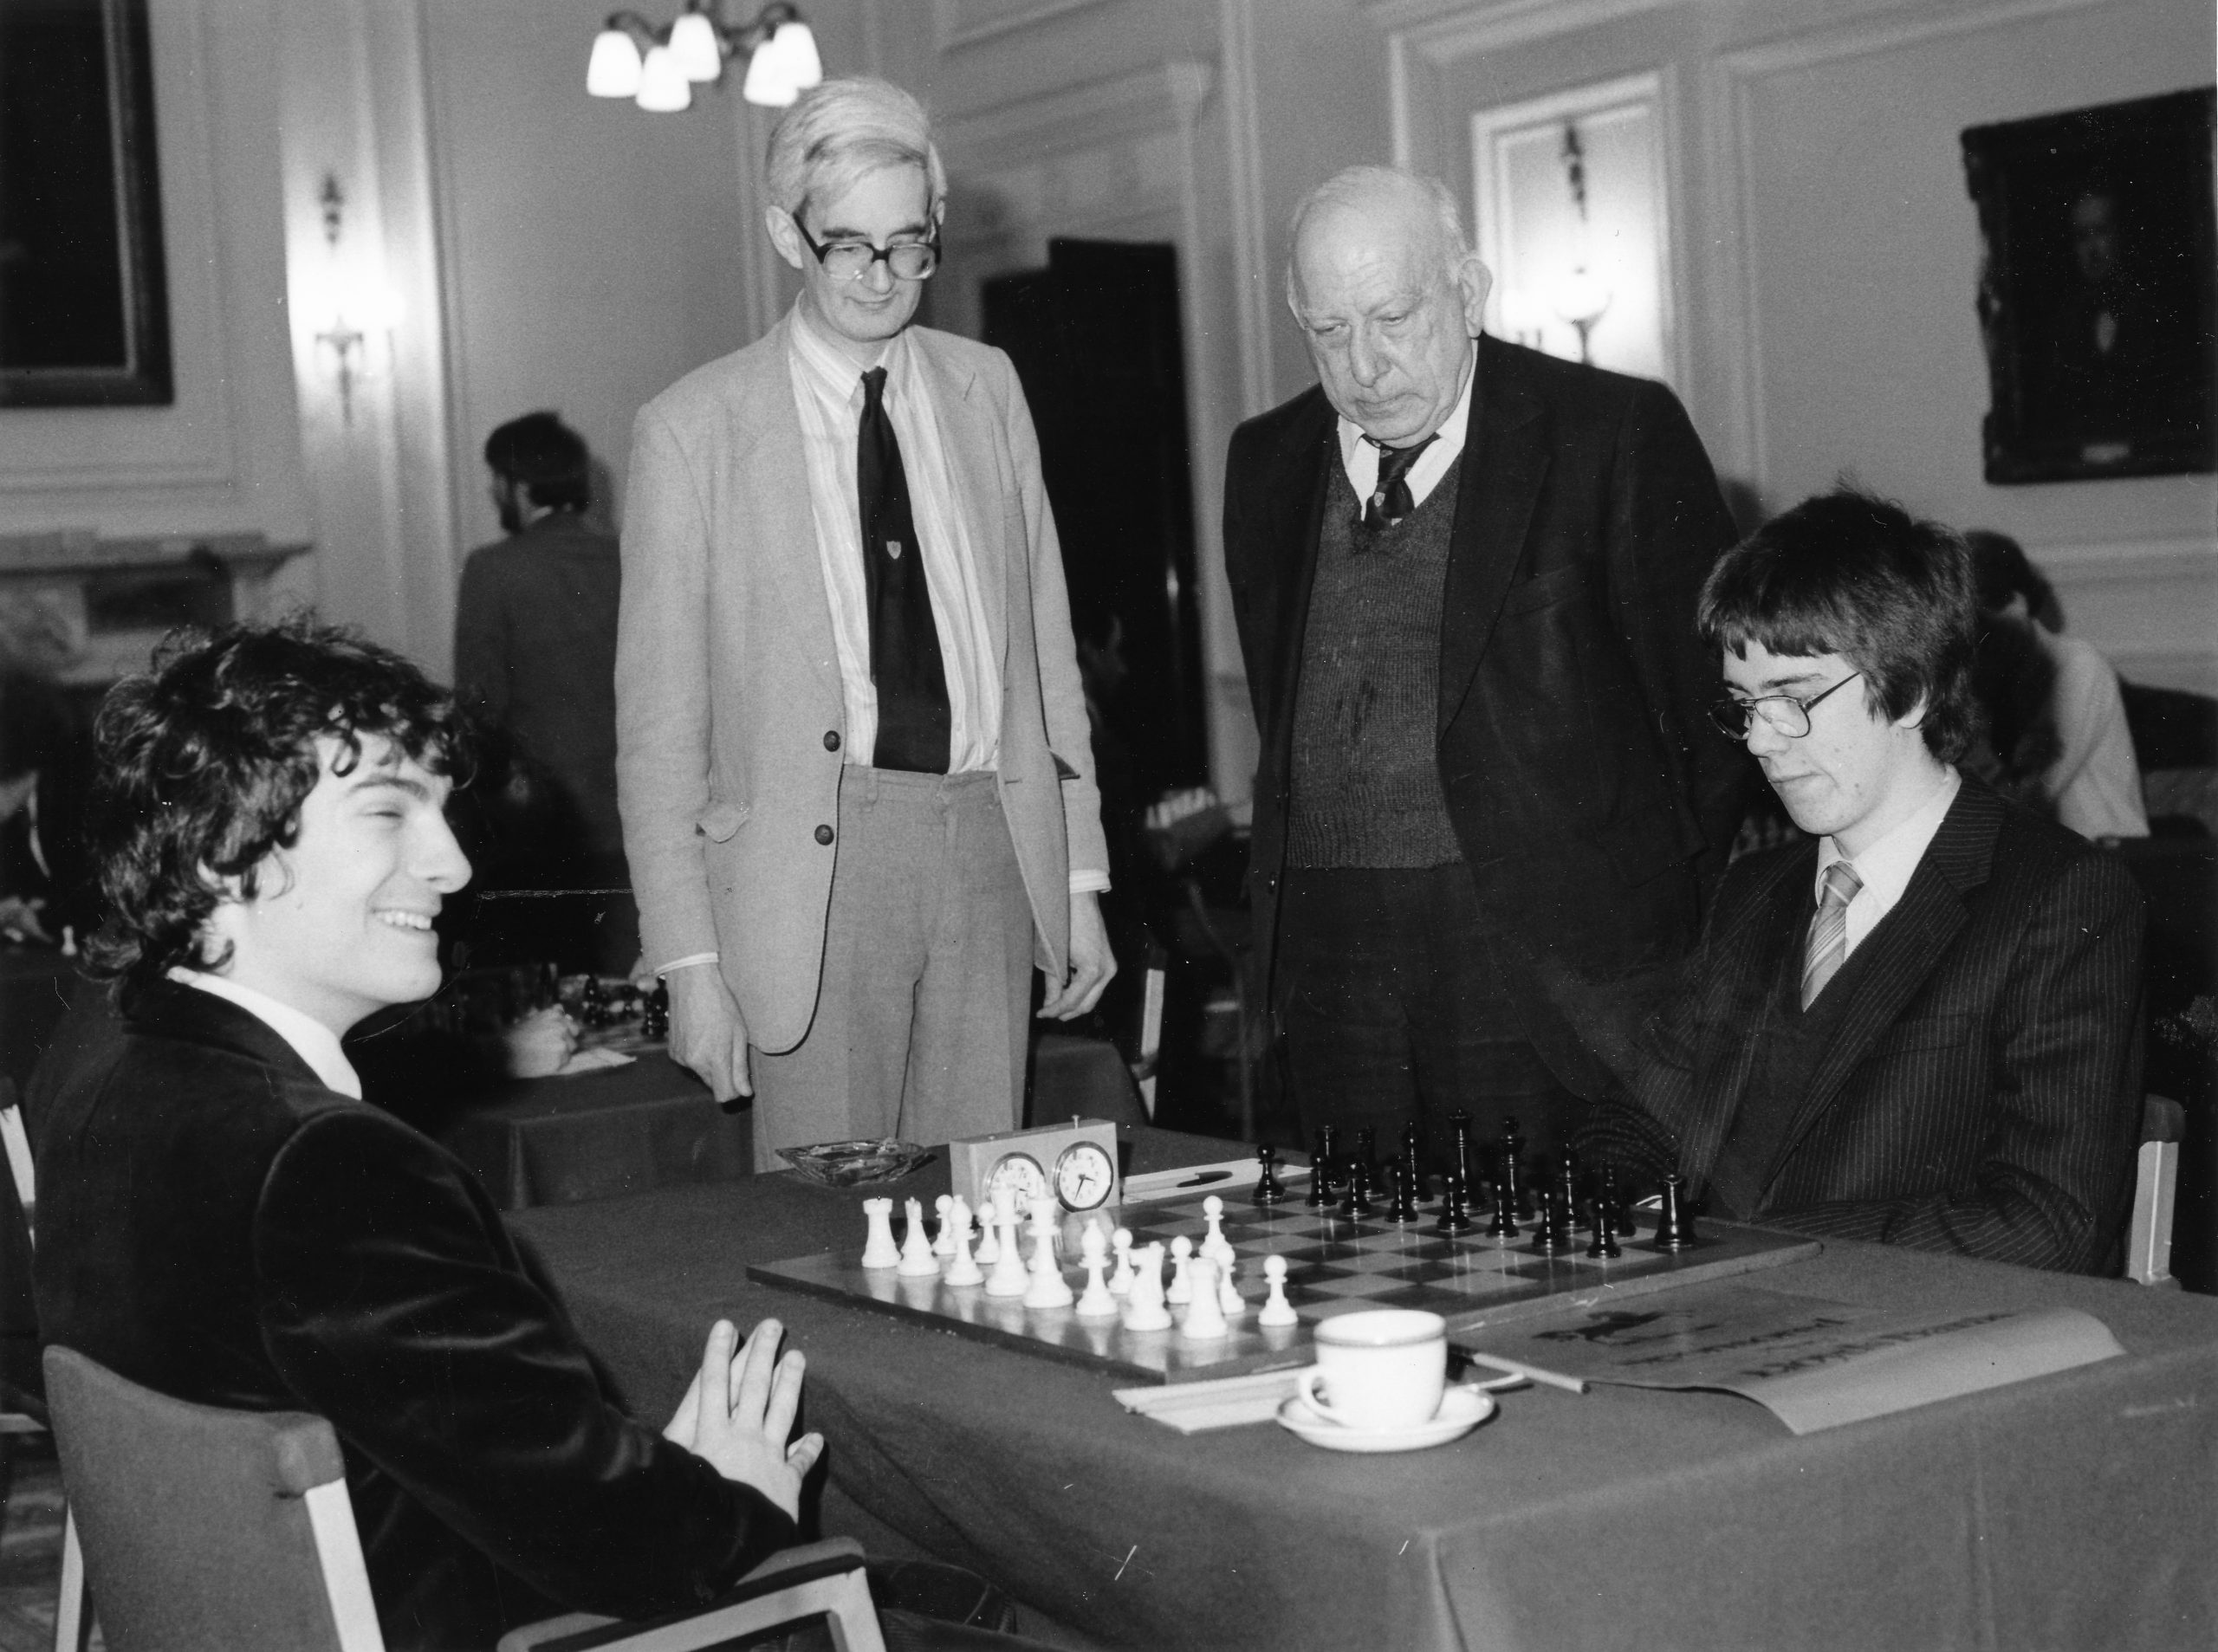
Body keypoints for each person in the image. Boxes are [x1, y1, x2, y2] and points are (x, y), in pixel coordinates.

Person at [24, 620, 818, 1649]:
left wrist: (624, 1482)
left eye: (441, 812)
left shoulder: (100, 1072)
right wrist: (731, 1501)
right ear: (226, 847)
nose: (449, 863)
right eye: (388, 812)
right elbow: (632, 1557)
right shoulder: (330, 1165)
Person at [617, 77, 1112, 1162]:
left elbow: (1043, 662)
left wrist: (1076, 877)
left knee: (984, 1228)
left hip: (989, 844)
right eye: (848, 245)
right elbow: (659, 740)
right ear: (785, 235)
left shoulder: (989, 389)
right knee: (829, 1236)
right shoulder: (693, 431)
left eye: (909, 243)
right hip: (814, 870)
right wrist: (688, 963)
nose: (882, 278)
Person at [1222, 164, 1749, 1167]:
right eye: (1327, 333)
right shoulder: (1266, 461)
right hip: (1334, 961)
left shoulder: (1611, 433)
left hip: (1551, 969)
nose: (1365, 366)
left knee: (1556, 1285)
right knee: (1368, 1279)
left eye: (1392, 317)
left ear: (1468, 292)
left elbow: (1716, 720)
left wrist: (1630, 931)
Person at [1577, 489, 2145, 1273]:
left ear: (1910, 690)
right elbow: (1638, 1121)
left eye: (1795, 699)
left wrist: (1749, 1252)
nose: (1762, 742)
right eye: (1744, 705)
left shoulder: (2058, 898)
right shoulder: (1756, 891)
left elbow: (2048, 1219)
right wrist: (1641, 1222)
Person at [453, 410, 633, 969]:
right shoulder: (632, 557)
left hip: (545, 835)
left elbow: (479, 709)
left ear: (520, 487)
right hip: (638, 822)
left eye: (496, 481)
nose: (492, 493)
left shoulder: (493, 569)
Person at [1964, 528, 2148, 839]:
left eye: (1979, 622)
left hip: (2101, 852)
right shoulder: (1986, 672)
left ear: (2017, 605)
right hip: (2033, 850)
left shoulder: (2078, 665)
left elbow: (2037, 787)